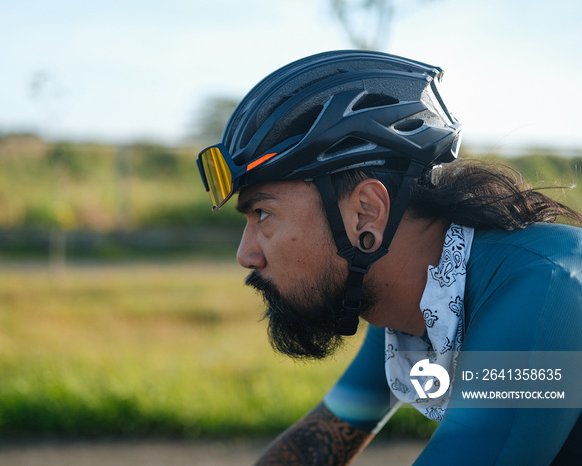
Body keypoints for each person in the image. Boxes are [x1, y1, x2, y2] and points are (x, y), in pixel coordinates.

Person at [195, 50, 582, 465]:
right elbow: (315, 447)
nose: (246, 255)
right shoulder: (415, 305)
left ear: (367, 213)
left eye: (262, 214)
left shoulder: (549, 284)